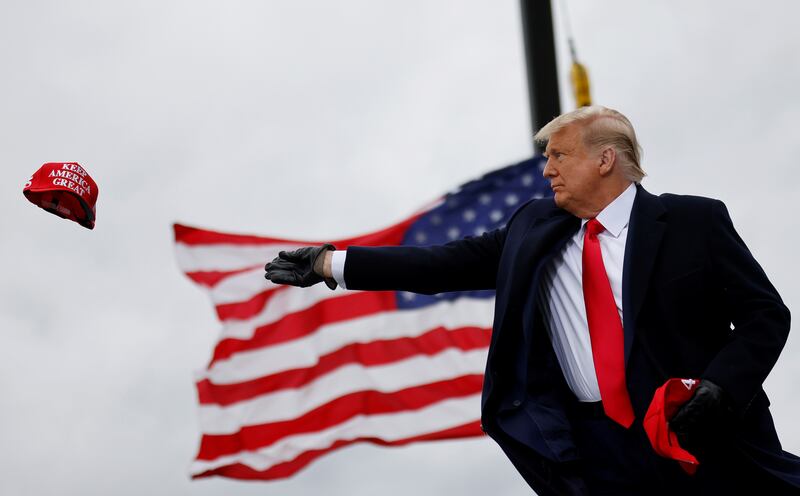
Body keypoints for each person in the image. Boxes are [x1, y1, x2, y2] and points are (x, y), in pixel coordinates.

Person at [265, 106, 800, 495]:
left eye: (559, 156)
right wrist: (329, 263)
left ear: (606, 159)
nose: (547, 170)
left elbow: (765, 315)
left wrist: (720, 389)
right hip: (599, 450)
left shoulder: (694, 220)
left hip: (702, 438)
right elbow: (441, 265)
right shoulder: (532, 228)